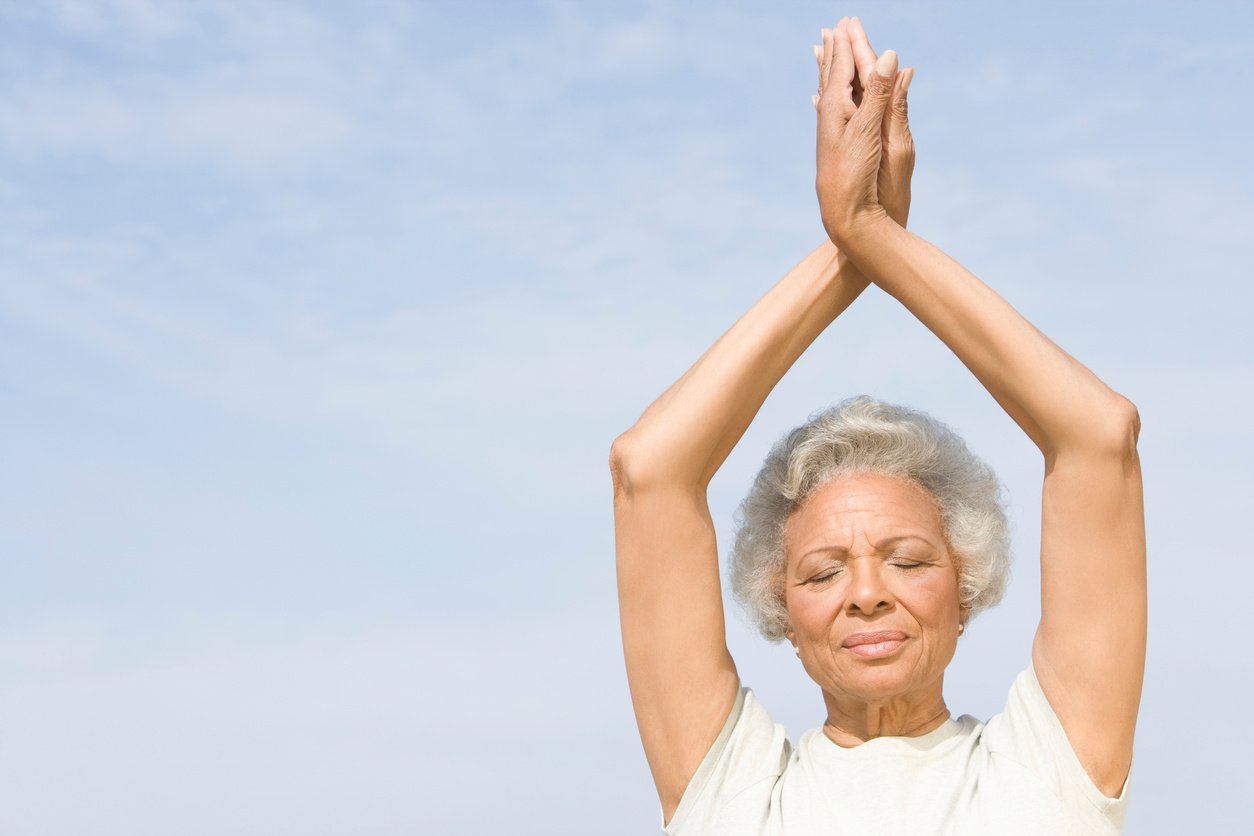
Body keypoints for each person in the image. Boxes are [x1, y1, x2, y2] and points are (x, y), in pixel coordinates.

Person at [609, 16, 1145, 836]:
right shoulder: (734, 791)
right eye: (822, 573)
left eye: (907, 559)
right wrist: (853, 240)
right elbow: (648, 470)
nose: (866, 595)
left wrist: (871, 236)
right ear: (780, 611)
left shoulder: (1049, 770)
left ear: (963, 589)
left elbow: (1099, 437)